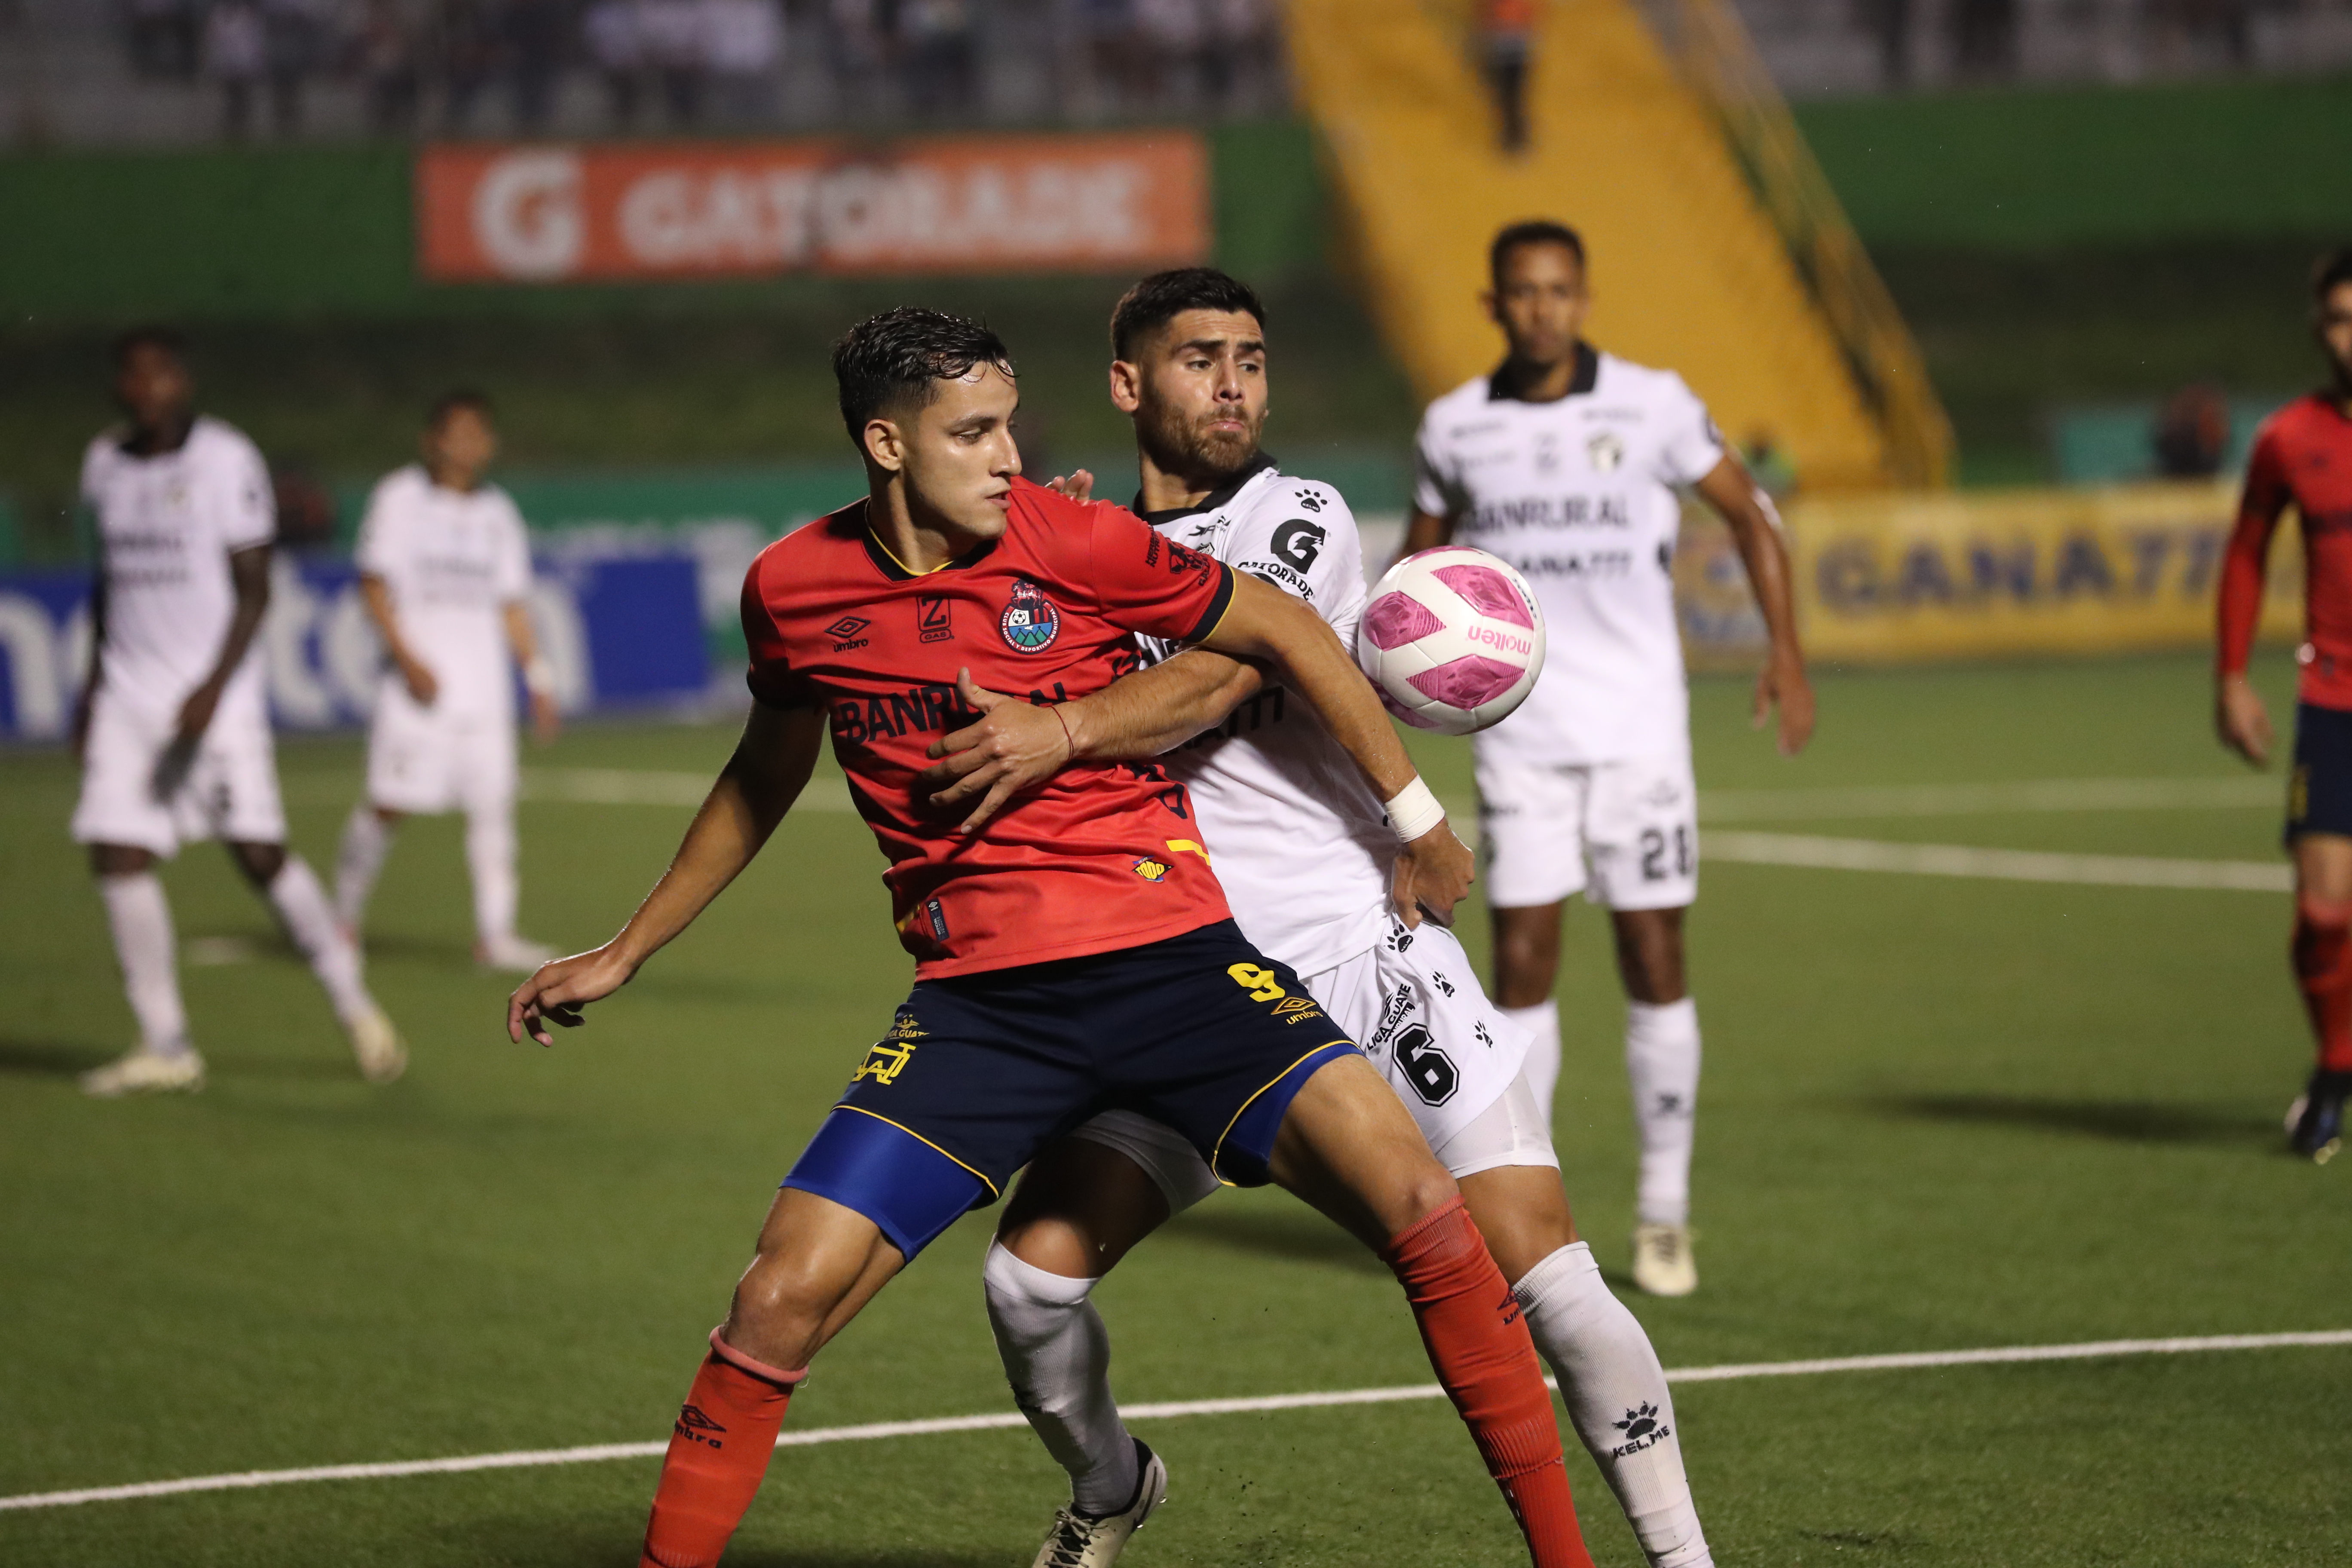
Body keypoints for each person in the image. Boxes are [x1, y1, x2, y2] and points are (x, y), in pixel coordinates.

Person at [507, 308, 1598, 1568]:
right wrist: (628, 948)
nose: (1009, 456)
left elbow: (1286, 631)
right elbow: (764, 773)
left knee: (1423, 1209)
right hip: (983, 1011)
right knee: (778, 1297)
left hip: (1182, 967)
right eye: (973, 433)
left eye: (1010, 425)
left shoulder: (1075, 538)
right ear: (887, 444)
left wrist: (1413, 818)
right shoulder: (793, 589)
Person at [919, 268, 1714, 1568]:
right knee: (1028, 1284)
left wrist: (1061, 708)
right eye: (1199, 359)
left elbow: (1210, 683)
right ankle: (1111, 1484)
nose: (1233, 383)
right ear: (1127, 384)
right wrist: (1038, 583)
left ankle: (1682, 1558)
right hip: (1188, 981)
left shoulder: (1298, 517)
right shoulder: (1080, 546)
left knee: (1546, 1274)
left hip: (1359, 953)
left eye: (1250, 358)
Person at [1402, 221, 1814, 1297]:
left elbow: (1752, 515)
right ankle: (1524, 1217)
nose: (1542, 309)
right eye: (1523, 292)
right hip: (1521, 741)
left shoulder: (1654, 404)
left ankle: (1665, 1216)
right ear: (1494, 304)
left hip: (1639, 734)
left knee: (1654, 957)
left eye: (1560, 290)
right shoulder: (1455, 425)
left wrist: (1785, 649)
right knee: (1522, 967)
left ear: (1584, 298)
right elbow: (1415, 574)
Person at [71, 328, 405, 1098]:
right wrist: (91, 688)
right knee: (117, 855)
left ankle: (353, 1006)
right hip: (128, 693)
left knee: (258, 854)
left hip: (212, 696)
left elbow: (255, 587)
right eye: (133, 376)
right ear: (120, 387)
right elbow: (108, 583)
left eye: (160, 374)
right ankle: (166, 1044)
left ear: (182, 382)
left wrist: (213, 687)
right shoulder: (103, 463)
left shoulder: (225, 459)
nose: (147, 388)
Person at [334, 392, 562, 974]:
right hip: (417, 692)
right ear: (431, 440)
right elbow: (374, 585)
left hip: (483, 692)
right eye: (457, 433)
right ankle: (340, 920)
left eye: (478, 433)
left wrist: (537, 678)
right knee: (389, 804)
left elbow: (512, 604)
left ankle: (496, 936)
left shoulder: (498, 514)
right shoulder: (399, 499)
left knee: (494, 810)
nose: (468, 445)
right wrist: (406, 658)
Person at [2214, 246, 2352, 1164]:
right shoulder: (2288, 439)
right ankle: (2336, 1069)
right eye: (2340, 320)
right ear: (2318, 330)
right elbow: (2246, 552)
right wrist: (2231, 677)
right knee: (2323, 914)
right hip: (2334, 698)